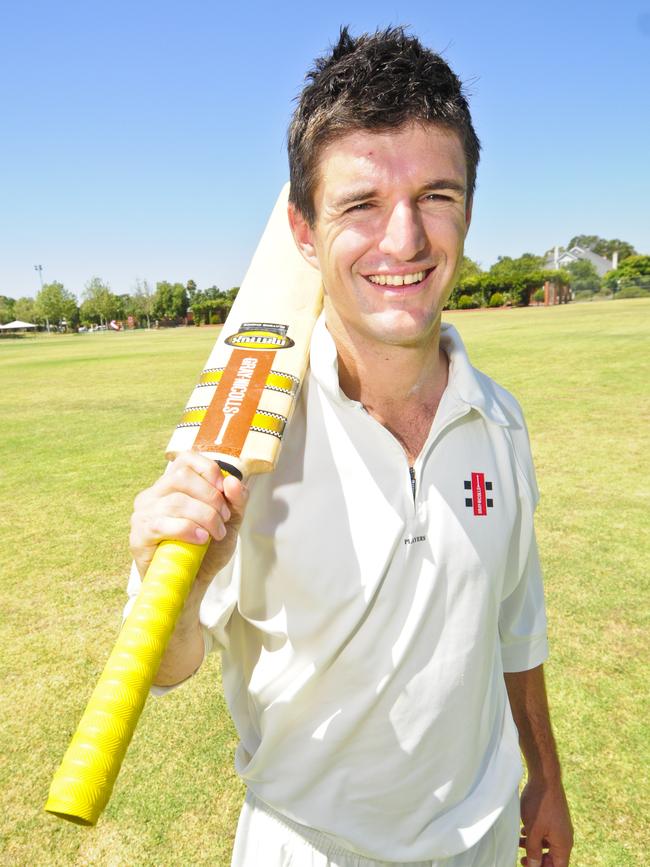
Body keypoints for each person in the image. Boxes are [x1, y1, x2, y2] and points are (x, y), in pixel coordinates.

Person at [128, 26, 573, 867]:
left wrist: (545, 776)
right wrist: (176, 581)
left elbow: (514, 619)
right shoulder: (244, 430)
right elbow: (167, 662)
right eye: (360, 204)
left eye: (436, 195)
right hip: (309, 847)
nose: (403, 240)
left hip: (478, 843)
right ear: (302, 231)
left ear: (469, 209)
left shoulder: (501, 421)